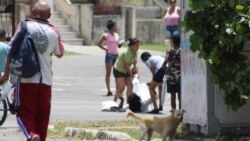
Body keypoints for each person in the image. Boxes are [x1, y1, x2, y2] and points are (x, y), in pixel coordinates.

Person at [7, 2, 64, 141]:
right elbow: (60, 53)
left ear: (33, 12)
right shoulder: (54, 31)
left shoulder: (24, 26)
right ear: (49, 15)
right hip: (46, 82)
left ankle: (31, 135)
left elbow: (12, 50)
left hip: (26, 79)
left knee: (23, 114)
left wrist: (6, 74)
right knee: (42, 118)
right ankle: (39, 137)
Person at [97, 20, 123, 96]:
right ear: (111, 27)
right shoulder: (105, 35)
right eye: (115, 26)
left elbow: (118, 45)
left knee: (117, 73)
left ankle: (117, 89)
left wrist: (121, 43)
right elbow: (99, 44)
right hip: (109, 56)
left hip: (116, 55)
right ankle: (109, 90)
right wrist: (105, 49)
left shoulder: (117, 35)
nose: (116, 27)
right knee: (108, 73)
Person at [113, 38, 139, 109]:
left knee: (130, 86)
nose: (138, 47)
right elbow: (126, 65)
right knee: (121, 87)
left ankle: (128, 103)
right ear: (131, 46)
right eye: (136, 45)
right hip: (119, 69)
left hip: (126, 70)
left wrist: (135, 70)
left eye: (138, 45)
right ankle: (114, 103)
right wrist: (131, 74)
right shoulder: (127, 52)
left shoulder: (134, 52)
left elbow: (134, 63)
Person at [163, 35, 181, 109]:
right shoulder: (183, 51)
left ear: (173, 42)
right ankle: (180, 113)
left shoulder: (170, 51)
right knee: (180, 96)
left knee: (173, 96)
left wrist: (167, 68)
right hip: (180, 77)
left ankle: (173, 114)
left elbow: (164, 63)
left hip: (171, 77)